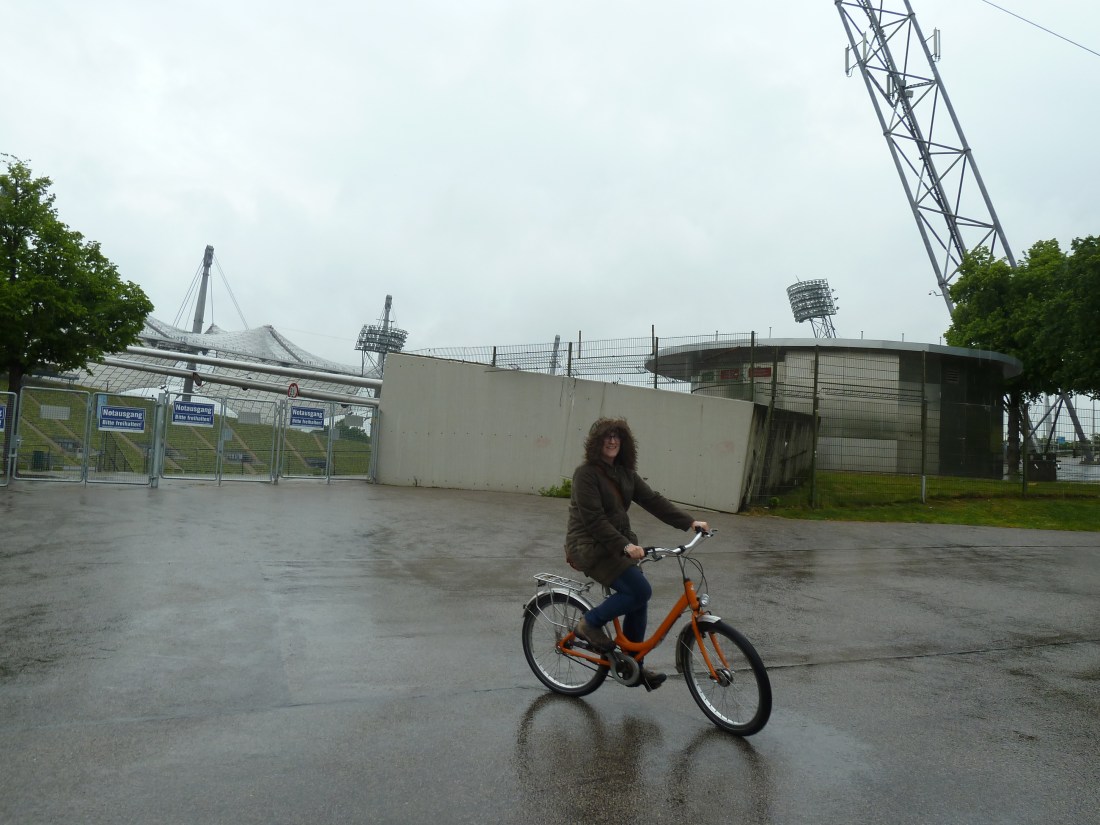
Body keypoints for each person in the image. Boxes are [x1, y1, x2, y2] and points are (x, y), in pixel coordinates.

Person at [564, 417, 709, 691]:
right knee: (639, 590)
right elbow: (594, 520)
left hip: (616, 544)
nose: (612, 440)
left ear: (625, 442)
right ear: (596, 442)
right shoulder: (586, 474)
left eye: (618, 436)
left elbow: (653, 500)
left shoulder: (625, 474)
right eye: (607, 436)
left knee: (638, 597)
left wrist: (690, 522)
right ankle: (588, 624)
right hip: (589, 545)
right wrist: (625, 546)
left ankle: (632, 664)